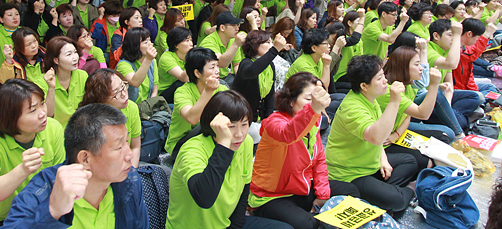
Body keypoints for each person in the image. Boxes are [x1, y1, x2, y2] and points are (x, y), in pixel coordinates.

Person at [0, 104, 149, 228]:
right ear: (85, 159)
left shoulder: (129, 180)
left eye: (127, 143)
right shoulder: (44, 190)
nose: (130, 154)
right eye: (119, 147)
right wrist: (52, 211)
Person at [166, 91, 292, 229]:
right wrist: (223, 145)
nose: (239, 134)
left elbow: (244, 192)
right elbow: (204, 198)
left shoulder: (246, 142)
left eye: (244, 124)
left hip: (226, 224)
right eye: (231, 126)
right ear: (214, 124)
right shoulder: (192, 150)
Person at [250, 72, 361, 229]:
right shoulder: (273, 122)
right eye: (309, 99)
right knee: (307, 224)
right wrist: (314, 109)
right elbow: (289, 134)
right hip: (272, 195)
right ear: (290, 101)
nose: (314, 103)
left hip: (302, 187)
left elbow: (320, 161)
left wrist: (323, 195)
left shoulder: (313, 122)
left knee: (350, 191)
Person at [326, 55, 417, 216]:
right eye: (380, 77)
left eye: (383, 74)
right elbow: (376, 137)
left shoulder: (370, 98)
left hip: (369, 162)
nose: (385, 80)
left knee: (409, 161)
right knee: (398, 200)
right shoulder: (352, 107)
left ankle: (383, 197)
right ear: (364, 85)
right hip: (350, 173)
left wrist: (383, 158)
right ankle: (403, 193)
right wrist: (394, 102)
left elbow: (379, 137)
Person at [0, 79, 65, 229]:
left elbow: (60, 176)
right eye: (33, 110)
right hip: (0, 219)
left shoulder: (53, 128)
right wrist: (23, 170)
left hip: (42, 212)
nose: (42, 113)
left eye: (42, 103)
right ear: (10, 117)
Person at [378, 44, 447, 170]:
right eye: (416, 64)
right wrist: (434, 85)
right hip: (383, 144)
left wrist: (396, 135)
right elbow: (423, 114)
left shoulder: (408, 85)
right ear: (403, 67)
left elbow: (407, 117)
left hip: (397, 135)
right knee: (427, 162)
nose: (421, 68)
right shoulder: (391, 90)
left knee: (444, 137)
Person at [164, 48, 227, 157]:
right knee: (209, 122)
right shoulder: (182, 92)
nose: (217, 71)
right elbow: (192, 119)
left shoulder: (221, 88)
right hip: (181, 143)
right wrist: (208, 91)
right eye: (212, 67)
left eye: (217, 66)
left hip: (207, 140)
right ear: (197, 73)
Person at [427, 19, 481, 134]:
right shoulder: (428, 50)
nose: (453, 38)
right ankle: (456, 118)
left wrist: (448, 104)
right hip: (429, 99)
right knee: (460, 123)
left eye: (454, 35)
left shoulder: (446, 50)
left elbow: (449, 83)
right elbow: (451, 64)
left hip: (442, 96)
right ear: (436, 36)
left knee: (475, 97)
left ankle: (451, 116)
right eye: (449, 35)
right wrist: (457, 35)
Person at [81, 69, 141, 168]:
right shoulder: (90, 121)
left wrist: (132, 172)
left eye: (123, 86)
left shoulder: (131, 108)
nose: (124, 94)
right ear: (102, 99)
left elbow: (135, 146)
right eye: (117, 93)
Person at [232, 30, 287, 125]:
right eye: (268, 42)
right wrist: (275, 50)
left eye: (271, 42)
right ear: (255, 45)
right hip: (241, 118)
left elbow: (270, 96)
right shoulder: (245, 63)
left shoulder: (270, 66)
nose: (272, 45)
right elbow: (252, 71)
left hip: (260, 119)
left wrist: (269, 120)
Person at [43, 36, 88, 127]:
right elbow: (47, 116)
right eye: (69, 54)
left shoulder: (82, 75)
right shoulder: (43, 82)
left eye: (75, 52)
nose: (75, 58)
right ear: (56, 60)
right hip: (57, 133)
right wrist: (51, 88)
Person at [198, 11, 246, 87]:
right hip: (209, 79)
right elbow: (221, 63)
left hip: (226, 77)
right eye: (234, 25)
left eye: (238, 25)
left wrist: (244, 80)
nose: (237, 28)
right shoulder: (208, 43)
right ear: (222, 28)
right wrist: (236, 45)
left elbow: (236, 65)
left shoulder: (232, 39)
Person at [454, 19, 500, 97]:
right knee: (479, 97)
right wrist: (486, 34)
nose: (477, 40)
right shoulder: (455, 47)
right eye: (478, 37)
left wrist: (474, 89)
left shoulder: (464, 46)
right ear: (469, 34)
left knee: (491, 87)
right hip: (458, 89)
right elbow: (472, 54)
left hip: (466, 86)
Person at [0, 27, 51, 93]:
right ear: (19, 47)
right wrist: (8, 60)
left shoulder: (46, 57)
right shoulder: (14, 63)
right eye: (29, 44)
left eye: (35, 41)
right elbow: (5, 81)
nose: (34, 46)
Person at [116, 27, 159, 104]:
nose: (151, 44)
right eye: (145, 42)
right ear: (134, 46)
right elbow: (135, 82)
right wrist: (148, 60)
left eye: (149, 40)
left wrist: (151, 105)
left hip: (148, 105)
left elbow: (155, 89)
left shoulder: (152, 61)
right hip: (131, 107)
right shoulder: (123, 65)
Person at [158, 26, 193, 104]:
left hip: (180, 89)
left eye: (191, 40)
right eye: (187, 41)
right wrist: (192, 61)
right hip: (165, 93)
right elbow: (183, 78)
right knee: (181, 84)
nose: (191, 44)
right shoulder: (166, 57)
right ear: (176, 45)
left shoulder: (187, 55)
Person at [333, 9, 365, 92]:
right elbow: (354, 39)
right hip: (340, 75)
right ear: (349, 23)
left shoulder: (360, 41)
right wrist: (362, 18)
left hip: (353, 73)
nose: (361, 25)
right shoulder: (342, 38)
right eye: (358, 23)